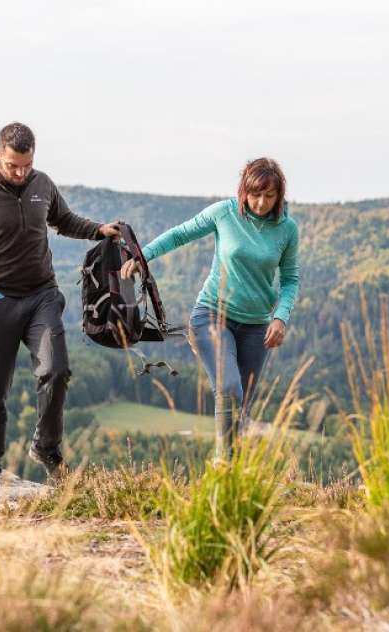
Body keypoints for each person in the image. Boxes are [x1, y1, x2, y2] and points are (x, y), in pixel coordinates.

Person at [0, 122, 120, 492]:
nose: (21, 173)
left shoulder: (42, 184)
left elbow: (63, 220)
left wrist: (99, 230)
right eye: (14, 165)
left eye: (27, 165)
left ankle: (46, 448)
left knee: (56, 370)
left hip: (41, 296)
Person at [121, 158, 300, 460]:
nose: (261, 203)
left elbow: (290, 279)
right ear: (244, 190)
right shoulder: (224, 213)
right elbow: (180, 234)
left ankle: (233, 477)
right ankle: (223, 466)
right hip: (211, 316)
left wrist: (281, 318)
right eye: (255, 194)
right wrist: (143, 257)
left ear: (279, 196)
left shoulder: (286, 230)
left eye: (270, 196)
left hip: (257, 327)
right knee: (229, 388)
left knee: (240, 406)